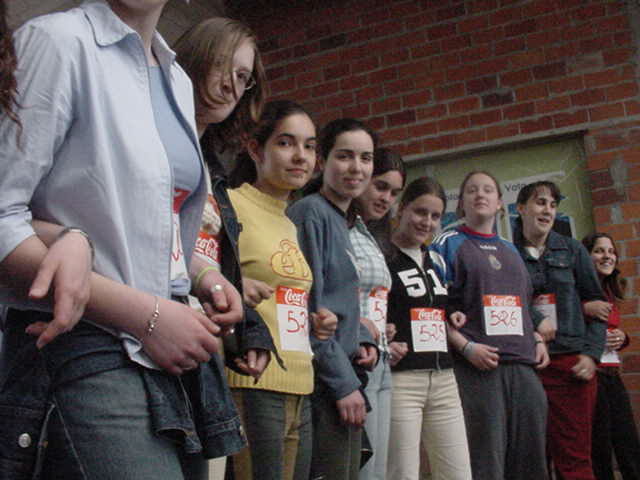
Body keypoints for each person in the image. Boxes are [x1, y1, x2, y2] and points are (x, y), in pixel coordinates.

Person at [0, 2, 247, 478]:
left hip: (172, 350)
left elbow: (141, 220)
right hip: (87, 344)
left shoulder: (176, 78)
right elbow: (4, 212)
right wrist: (145, 317)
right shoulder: (56, 42)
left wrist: (201, 274)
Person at [223, 99, 337, 480]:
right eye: (286, 143)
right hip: (253, 383)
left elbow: (278, 294)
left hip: (300, 382)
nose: (301, 156)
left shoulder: (288, 221)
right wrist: (232, 287)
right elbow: (205, 277)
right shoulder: (231, 205)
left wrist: (313, 321)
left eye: (309, 146)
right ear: (256, 149)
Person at [429, 171, 549, 480]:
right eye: (471, 190)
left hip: (523, 367)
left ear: (499, 203)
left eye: (487, 190)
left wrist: (537, 339)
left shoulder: (512, 251)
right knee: (486, 462)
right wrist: (466, 347)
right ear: (461, 204)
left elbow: (523, 305)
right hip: (477, 370)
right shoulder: (446, 244)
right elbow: (430, 308)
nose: (480, 195)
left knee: (532, 462)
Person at [288, 118, 379, 480]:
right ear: (322, 161)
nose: (357, 167)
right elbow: (310, 310)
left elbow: (340, 302)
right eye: (345, 156)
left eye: (365, 158)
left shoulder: (342, 219)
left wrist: (363, 338)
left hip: (343, 371)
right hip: (322, 382)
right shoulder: (311, 213)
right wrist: (343, 383)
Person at [513, 181, 608, 480]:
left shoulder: (573, 250)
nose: (547, 210)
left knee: (574, 459)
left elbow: (599, 307)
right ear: (521, 208)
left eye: (553, 205)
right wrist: (534, 318)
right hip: (526, 365)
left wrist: (591, 355)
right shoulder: (506, 253)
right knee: (529, 460)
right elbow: (504, 300)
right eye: (540, 202)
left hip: (570, 365)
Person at [385, 176, 472, 480]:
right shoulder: (382, 255)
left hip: (444, 378)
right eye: (420, 212)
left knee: (458, 473)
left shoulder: (434, 258)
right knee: (403, 474)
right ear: (402, 208)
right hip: (402, 380)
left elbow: (431, 305)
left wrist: (450, 314)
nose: (428, 222)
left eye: (435, 216)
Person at [350, 147, 405, 480]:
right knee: (365, 472)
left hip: (382, 358)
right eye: (381, 187)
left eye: (394, 193)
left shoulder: (372, 235)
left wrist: (385, 328)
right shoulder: (340, 228)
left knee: (379, 472)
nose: (387, 198)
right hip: (356, 360)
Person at [582, 232, 640, 480]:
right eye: (599, 251)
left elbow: (612, 331)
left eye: (611, 251)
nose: (607, 256)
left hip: (611, 372)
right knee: (600, 446)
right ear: (585, 256)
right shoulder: (578, 291)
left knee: (628, 440)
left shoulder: (608, 289)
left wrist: (623, 338)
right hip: (591, 375)